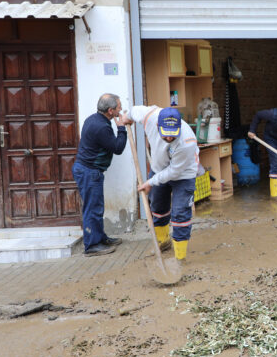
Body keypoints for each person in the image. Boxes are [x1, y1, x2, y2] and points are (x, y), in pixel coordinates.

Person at [123, 106, 200, 260]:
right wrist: (127, 117)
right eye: (166, 135)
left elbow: (173, 172)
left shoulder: (187, 141)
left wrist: (150, 182)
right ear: (158, 126)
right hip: (159, 169)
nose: (170, 138)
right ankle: (163, 242)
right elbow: (134, 111)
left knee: (180, 213)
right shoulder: (150, 117)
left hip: (183, 174)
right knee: (157, 207)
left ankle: (180, 257)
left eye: (173, 135)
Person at [72, 94, 130, 256]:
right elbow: (117, 148)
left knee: (96, 207)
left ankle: (100, 238)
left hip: (87, 170)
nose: (120, 110)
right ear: (110, 110)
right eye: (118, 107)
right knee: (93, 209)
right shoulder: (101, 127)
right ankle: (91, 246)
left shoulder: (93, 119)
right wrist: (121, 128)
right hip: (89, 172)